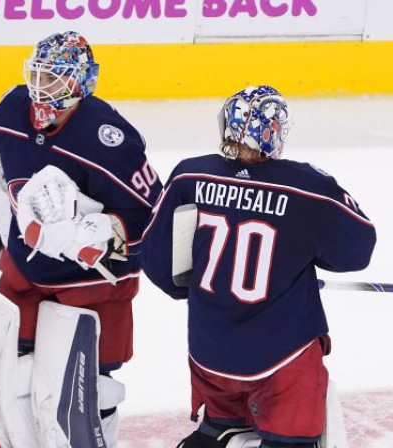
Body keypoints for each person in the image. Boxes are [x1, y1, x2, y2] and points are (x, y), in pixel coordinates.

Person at [140, 86, 377, 448]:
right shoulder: (309, 188)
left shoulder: (189, 176)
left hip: (210, 355)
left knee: (217, 425)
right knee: (290, 438)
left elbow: (159, 264)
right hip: (281, 362)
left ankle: (217, 428)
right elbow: (356, 252)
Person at [0, 31, 162, 448]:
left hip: (94, 285)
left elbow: (153, 218)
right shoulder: (9, 113)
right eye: (37, 74)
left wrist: (103, 234)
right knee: (6, 370)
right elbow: (16, 169)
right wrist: (4, 214)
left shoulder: (109, 140)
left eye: (54, 79)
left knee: (89, 386)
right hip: (26, 267)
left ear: (81, 84)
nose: (40, 88)